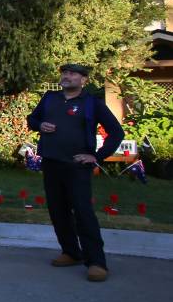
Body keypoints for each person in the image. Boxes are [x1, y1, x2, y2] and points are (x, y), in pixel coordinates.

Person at [26, 63, 124, 282]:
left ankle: (97, 262)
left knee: (82, 212)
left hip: (78, 166)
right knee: (58, 210)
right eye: (64, 73)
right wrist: (40, 125)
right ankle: (71, 252)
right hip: (51, 162)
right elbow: (32, 120)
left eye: (72, 73)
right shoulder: (50, 98)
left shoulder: (91, 103)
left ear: (83, 80)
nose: (66, 76)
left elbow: (116, 132)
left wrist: (97, 156)